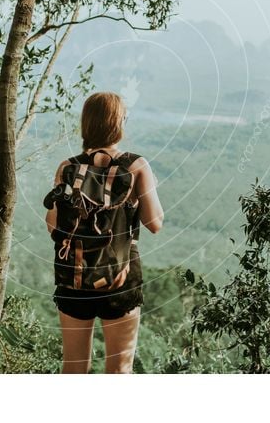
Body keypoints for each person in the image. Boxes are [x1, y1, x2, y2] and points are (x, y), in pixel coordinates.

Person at [45, 91, 164, 374]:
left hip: (73, 276)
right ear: (119, 122)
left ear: (87, 123)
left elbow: (52, 224)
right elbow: (155, 224)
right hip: (120, 277)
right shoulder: (136, 166)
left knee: (74, 368)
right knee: (119, 371)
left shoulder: (68, 167)